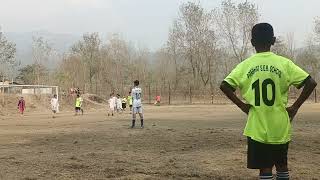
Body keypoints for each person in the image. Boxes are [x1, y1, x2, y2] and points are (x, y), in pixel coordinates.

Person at [220, 23, 317, 180]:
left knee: (265, 168)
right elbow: (311, 83)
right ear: (273, 40)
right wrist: (295, 107)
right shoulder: (284, 63)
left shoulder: (245, 65)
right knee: (282, 166)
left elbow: (224, 85)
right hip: (280, 126)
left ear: (252, 42)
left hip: (257, 127)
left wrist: (243, 106)